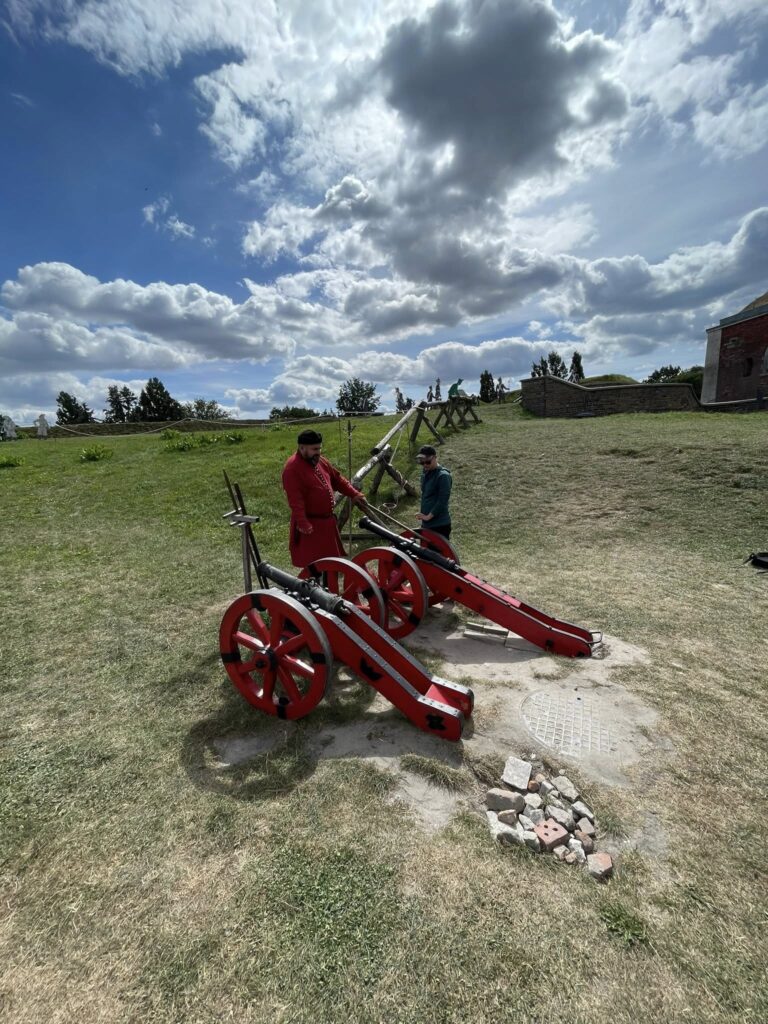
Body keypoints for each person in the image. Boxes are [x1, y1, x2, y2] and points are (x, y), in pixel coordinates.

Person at [281, 429, 367, 568]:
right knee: (314, 566)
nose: (318, 452)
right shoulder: (292, 469)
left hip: (327, 524)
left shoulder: (320, 461)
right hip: (311, 525)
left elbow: (337, 480)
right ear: (302, 448)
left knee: (330, 564)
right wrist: (303, 523)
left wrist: (354, 494)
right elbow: (295, 501)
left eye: (319, 448)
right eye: (314, 449)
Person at [415, 444, 452, 539]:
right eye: (422, 463)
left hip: (439, 525)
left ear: (435, 458)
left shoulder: (443, 476)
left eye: (428, 462)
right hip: (427, 524)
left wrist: (428, 517)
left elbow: (442, 501)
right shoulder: (425, 473)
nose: (425, 465)